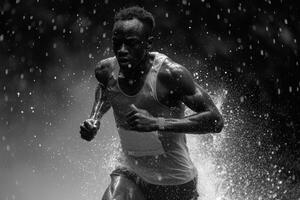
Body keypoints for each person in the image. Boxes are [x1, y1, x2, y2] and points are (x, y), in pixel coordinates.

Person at [80, 6, 224, 200]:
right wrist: (94, 118)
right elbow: (106, 90)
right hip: (131, 173)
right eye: (117, 43)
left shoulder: (170, 75)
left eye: (131, 43)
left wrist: (157, 123)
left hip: (175, 183)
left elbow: (215, 121)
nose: (122, 50)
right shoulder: (106, 70)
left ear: (148, 44)